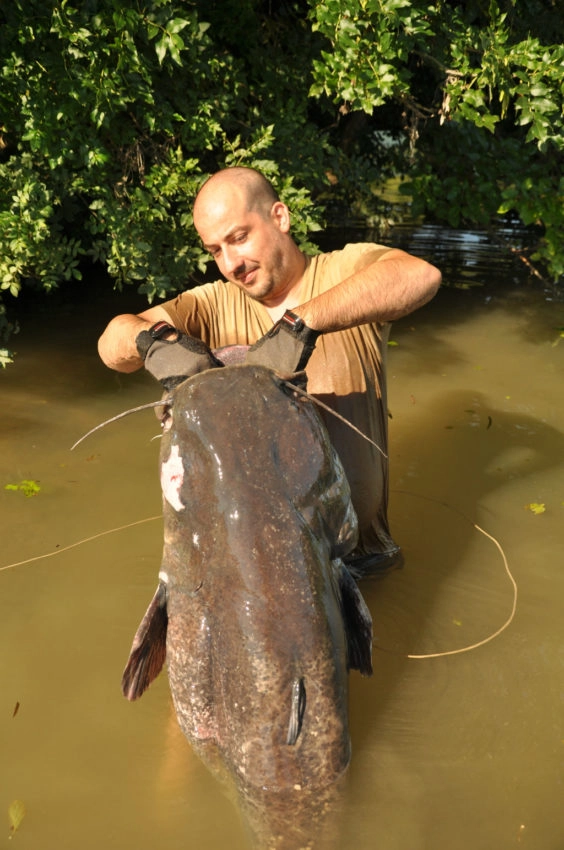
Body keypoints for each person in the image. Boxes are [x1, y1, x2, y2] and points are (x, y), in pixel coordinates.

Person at [98, 166, 441, 577]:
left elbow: (421, 275)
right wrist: (154, 342)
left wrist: (300, 325)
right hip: (253, 567)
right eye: (215, 250)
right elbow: (111, 343)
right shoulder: (211, 305)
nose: (230, 263)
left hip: (360, 562)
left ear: (280, 217)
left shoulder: (344, 272)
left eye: (239, 238)